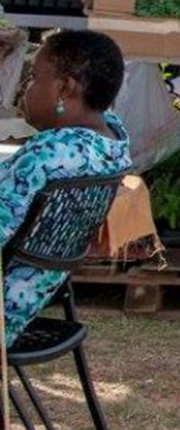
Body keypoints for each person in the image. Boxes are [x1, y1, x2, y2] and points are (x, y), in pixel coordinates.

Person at [0, 30, 132, 346]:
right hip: (28, 300)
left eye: (34, 78)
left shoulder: (48, 153)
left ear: (65, 88)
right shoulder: (111, 145)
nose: (25, 89)